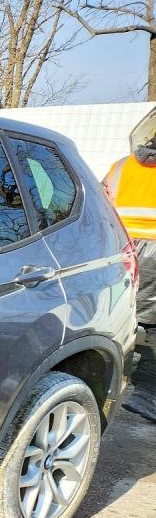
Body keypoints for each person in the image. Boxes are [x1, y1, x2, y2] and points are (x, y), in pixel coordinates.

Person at [105, 128, 156, 423]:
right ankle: (146, 394)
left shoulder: (121, 166)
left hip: (120, 248)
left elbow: (101, 200)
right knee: (151, 327)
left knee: (123, 315)